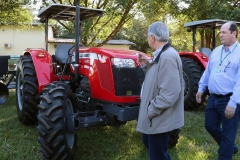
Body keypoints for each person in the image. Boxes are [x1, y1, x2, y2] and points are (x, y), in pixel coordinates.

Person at [136, 22, 184, 160]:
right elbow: (160, 76)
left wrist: (151, 110)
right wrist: (148, 63)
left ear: (152, 37)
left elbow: (171, 92)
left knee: (158, 155)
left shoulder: (167, 56)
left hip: (159, 118)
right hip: (156, 117)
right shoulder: (162, 54)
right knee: (151, 146)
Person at [196, 21, 240, 160]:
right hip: (213, 98)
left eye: (224, 32)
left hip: (230, 99)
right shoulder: (216, 51)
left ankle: (225, 154)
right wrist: (201, 88)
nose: (220, 35)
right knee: (210, 126)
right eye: (220, 32)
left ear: (234, 33)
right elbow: (208, 72)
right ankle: (230, 148)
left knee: (228, 134)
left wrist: (233, 103)